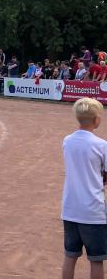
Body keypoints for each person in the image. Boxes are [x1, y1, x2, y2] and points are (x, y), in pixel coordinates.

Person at [61, 98, 107, 279]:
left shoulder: (67, 141)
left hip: (70, 208)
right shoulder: (102, 145)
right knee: (96, 260)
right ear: (96, 119)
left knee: (69, 257)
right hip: (93, 211)